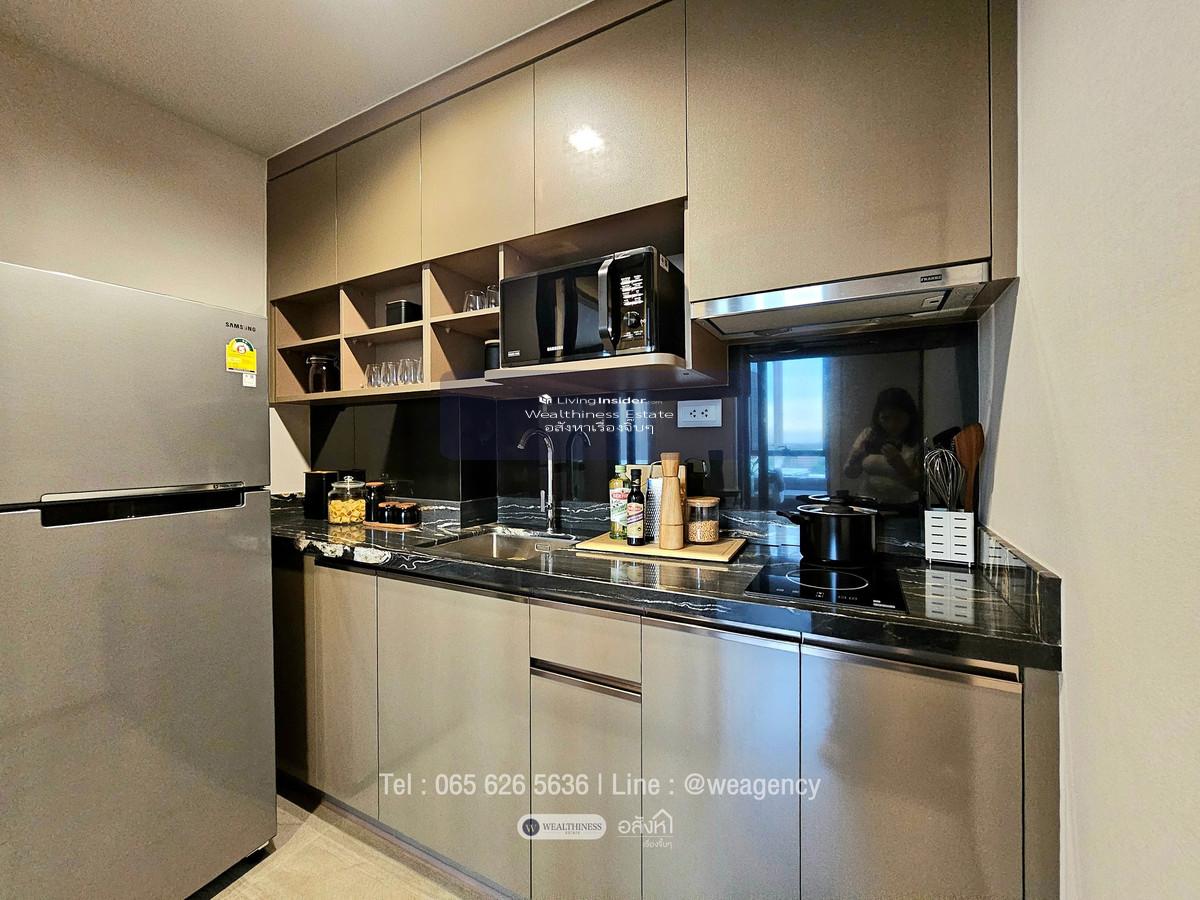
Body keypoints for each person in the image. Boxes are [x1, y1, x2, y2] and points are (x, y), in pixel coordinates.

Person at [842, 388, 922, 505]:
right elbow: (850, 473)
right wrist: (854, 460)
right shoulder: (869, 434)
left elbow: (921, 487)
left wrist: (900, 466)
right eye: (885, 418)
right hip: (867, 503)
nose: (892, 424)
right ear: (877, 417)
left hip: (904, 506)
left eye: (898, 418)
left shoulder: (918, 441)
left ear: (910, 417)